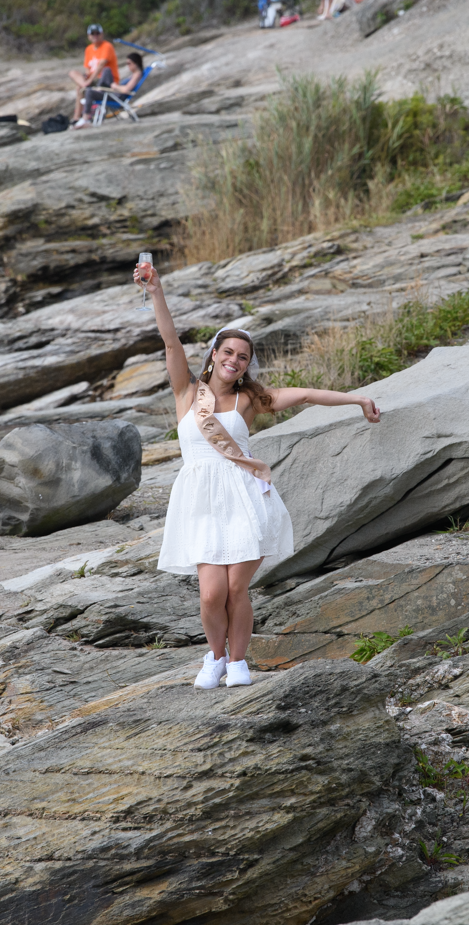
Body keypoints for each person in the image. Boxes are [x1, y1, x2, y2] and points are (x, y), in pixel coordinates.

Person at [135, 261, 382, 689]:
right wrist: (156, 291)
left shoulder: (249, 400)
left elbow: (306, 394)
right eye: (228, 352)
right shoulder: (188, 393)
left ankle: (237, 662)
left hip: (244, 496)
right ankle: (215, 657)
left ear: (247, 365)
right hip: (200, 500)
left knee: (236, 590)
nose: (234, 360)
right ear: (214, 354)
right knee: (211, 594)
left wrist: (358, 399)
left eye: (243, 357)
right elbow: (171, 342)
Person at [70, 24, 120, 129]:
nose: (95, 36)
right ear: (89, 36)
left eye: (97, 33)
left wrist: (89, 81)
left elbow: (101, 65)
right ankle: (76, 118)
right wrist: (86, 78)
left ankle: (84, 117)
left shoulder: (107, 46)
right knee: (74, 77)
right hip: (93, 79)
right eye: (92, 34)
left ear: (102, 34)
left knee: (84, 87)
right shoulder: (88, 49)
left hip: (105, 80)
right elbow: (88, 68)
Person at [79, 52, 145, 125]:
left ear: (136, 63)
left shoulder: (137, 74)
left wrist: (116, 86)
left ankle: (85, 119)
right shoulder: (133, 74)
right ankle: (98, 89)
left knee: (89, 92)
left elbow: (126, 89)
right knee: (106, 70)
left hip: (117, 98)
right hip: (115, 94)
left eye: (129, 63)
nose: (128, 66)